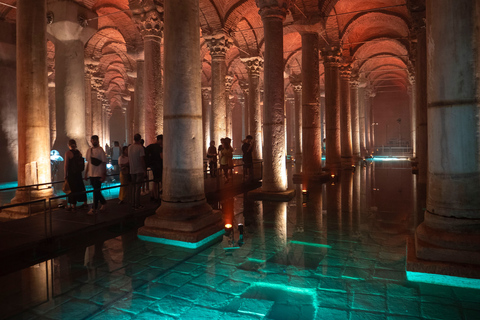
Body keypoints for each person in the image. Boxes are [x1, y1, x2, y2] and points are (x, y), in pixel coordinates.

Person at [85, 135, 107, 215]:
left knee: (96, 191)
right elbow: (88, 163)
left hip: (98, 173)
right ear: (91, 141)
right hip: (91, 173)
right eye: (93, 140)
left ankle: (94, 208)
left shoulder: (101, 150)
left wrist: (104, 174)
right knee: (96, 191)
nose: (94, 141)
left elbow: (104, 162)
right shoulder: (89, 150)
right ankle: (103, 203)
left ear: (97, 141)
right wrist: (86, 173)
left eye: (95, 140)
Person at [64, 139, 87, 211]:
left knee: (72, 189)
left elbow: (66, 165)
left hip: (72, 174)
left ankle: (73, 205)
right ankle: (84, 202)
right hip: (78, 173)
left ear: (69, 145)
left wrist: (65, 175)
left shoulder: (68, 153)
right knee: (80, 186)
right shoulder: (79, 152)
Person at [128, 133, 146, 209]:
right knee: (138, 188)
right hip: (139, 170)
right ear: (140, 139)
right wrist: (144, 169)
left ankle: (132, 203)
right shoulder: (140, 148)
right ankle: (137, 204)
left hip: (132, 169)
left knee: (133, 188)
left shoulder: (130, 147)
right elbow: (142, 160)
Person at [146, 135, 163, 201]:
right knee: (156, 181)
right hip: (158, 166)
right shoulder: (158, 147)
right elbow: (162, 157)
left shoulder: (151, 146)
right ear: (160, 140)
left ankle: (152, 195)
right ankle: (156, 196)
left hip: (153, 166)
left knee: (154, 181)